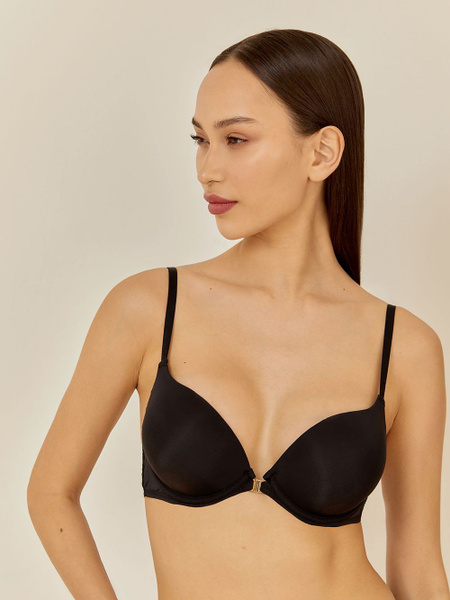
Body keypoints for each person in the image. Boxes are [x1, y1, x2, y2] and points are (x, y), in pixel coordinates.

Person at [27, 29, 449, 600]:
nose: (207, 168)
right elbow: (51, 493)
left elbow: (418, 565)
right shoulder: (150, 308)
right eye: (200, 140)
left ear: (321, 153)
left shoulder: (405, 347)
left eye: (235, 139)